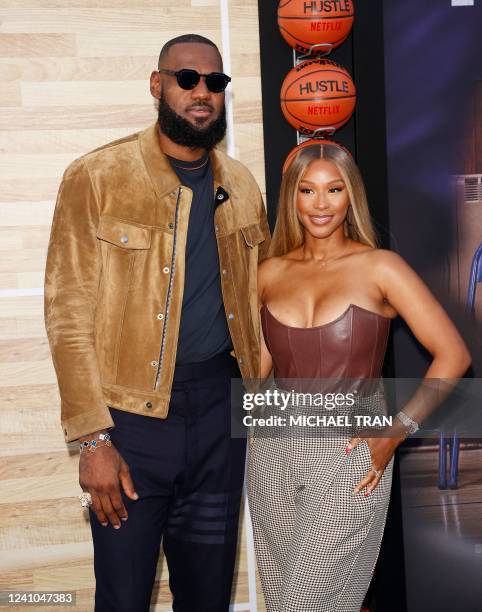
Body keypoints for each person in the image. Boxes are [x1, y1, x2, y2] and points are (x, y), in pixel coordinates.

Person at [44, 34, 270, 612]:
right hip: (129, 423)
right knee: (122, 596)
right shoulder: (96, 177)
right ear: (157, 84)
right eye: (187, 79)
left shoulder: (242, 186)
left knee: (208, 595)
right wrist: (93, 438)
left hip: (222, 416)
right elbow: (67, 315)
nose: (202, 93)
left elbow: (264, 303)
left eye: (215, 83)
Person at [246, 141, 471, 612]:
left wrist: (395, 433)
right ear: (292, 197)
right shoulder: (267, 273)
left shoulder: (380, 267)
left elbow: (453, 354)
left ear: (352, 196)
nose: (321, 204)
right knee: (283, 599)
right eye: (307, 191)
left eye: (334, 189)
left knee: (309, 604)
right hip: (270, 455)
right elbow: (257, 372)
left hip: (349, 455)